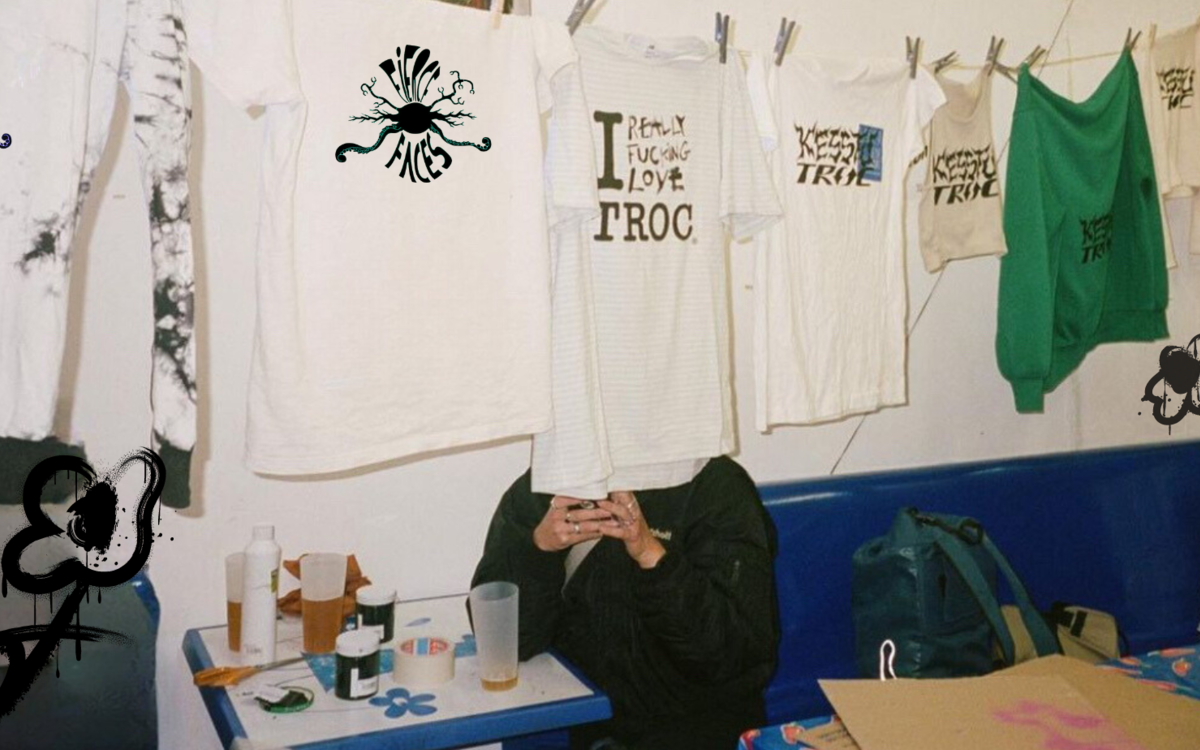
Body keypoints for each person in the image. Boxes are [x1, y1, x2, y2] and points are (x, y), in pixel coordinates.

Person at [471, 456, 780, 750]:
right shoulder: (544, 488)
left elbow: (730, 654)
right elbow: (505, 644)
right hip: (588, 727)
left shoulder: (716, 486)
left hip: (697, 728)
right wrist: (539, 549)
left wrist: (650, 555)